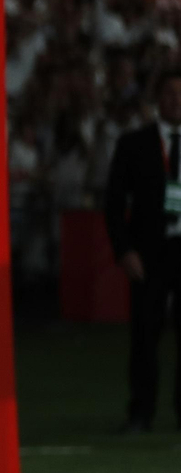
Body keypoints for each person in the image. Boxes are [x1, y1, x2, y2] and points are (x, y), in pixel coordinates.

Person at [105, 70, 181, 432]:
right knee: (144, 335)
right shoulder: (134, 143)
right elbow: (114, 202)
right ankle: (141, 411)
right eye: (169, 93)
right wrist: (124, 250)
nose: (176, 100)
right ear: (157, 98)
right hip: (148, 251)